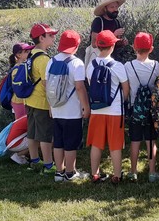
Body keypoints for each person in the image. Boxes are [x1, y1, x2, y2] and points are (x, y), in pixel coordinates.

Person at [46, 30, 90, 182]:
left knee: (58, 142)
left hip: (56, 109)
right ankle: (70, 173)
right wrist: (85, 106)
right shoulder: (77, 63)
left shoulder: (51, 61)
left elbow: (47, 86)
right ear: (76, 45)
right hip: (72, 111)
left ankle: (59, 172)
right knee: (71, 143)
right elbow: (80, 87)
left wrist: (51, 107)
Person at [86, 30, 129, 185]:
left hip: (96, 110)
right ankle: (117, 175)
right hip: (115, 111)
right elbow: (126, 89)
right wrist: (121, 102)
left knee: (96, 144)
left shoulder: (90, 66)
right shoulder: (118, 66)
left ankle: (95, 174)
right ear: (112, 46)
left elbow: (91, 85)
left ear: (98, 46)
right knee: (115, 145)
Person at [124, 32, 159, 183]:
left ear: (134, 47)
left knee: (135, 141)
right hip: (151, 109)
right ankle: (152, 172)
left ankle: (133, 171)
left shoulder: (128, 65)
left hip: (135, 108)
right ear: (151, 48)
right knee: (151, 141)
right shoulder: (156, 65)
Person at [25, 23, 58, 174]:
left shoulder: (30, 54)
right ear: (41, 37)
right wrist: (52, 103)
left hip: (29, 99)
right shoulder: (44, 59)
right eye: (50, 35)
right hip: (42, 102)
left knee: (32, 132)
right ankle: (48, 165)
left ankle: (34, 160)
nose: (53, 37)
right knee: (45, 135)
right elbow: (47, 84)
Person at [85, 0, 127, 67]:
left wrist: (122, 42)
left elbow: (115, 44)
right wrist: (113, 35)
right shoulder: (98, 21)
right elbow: (94, 44)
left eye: (116, 7)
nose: (115, 9)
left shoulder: (116, 22)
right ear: (105, 9)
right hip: (99, 63)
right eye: (112, 7)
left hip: (112, 61)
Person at [9, 43, 34, 119]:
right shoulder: (17, 69)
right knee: (22, 126)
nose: (29, 53)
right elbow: (18, 86)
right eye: (26, 51)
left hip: (23, 101)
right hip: (19, 101)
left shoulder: (23, 66)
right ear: (19, 55)